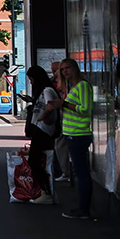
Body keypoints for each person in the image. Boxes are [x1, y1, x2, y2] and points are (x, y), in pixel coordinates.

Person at [47, 58, 95, 219]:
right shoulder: (72, 87)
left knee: (81, 172)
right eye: (62, 70)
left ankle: (84, 209)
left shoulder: (82, 86)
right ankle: (82, 207)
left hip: (79, 134)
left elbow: (85, 109)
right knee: (79, 171)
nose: (65, 72)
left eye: (67, 68)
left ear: (75, 68)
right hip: (72, 133)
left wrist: (64, 105)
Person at [23, 66, 58, 204]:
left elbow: (50, 105)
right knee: (39, 160)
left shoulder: (47, 90)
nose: (31, 82)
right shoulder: (44, 90)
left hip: (43, 129)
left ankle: (46, 191)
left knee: (34, 160)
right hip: (41, 128)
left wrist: (43, 117)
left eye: (31, 79)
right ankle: (45, 191)